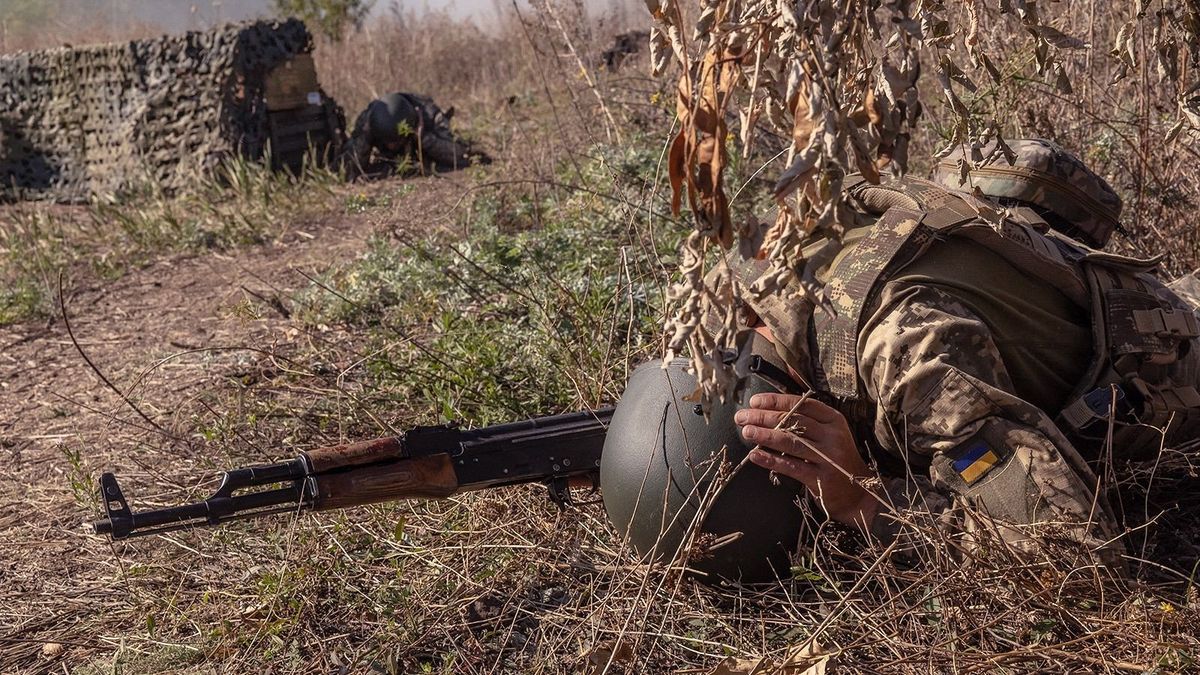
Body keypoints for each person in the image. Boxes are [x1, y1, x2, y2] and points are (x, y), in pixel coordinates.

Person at [717, 139, 1200, 570]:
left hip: (1169, 358)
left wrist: (865, 500)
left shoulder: (912, 356)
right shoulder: (744, 268)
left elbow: (1070, 551)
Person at [339, 92, 489, 180]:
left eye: (396, 141)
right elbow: (347, 170)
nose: (391, 146)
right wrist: (365, 139)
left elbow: (460, 156)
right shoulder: (369, 120)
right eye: (388, 142)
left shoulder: (429, 114)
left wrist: (423, 138)